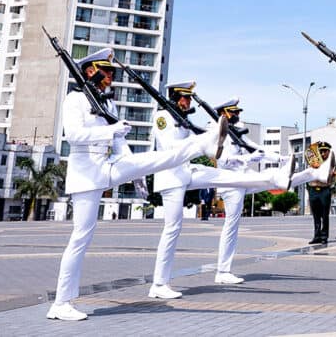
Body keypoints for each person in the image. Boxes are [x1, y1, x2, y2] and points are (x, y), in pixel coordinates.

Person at [47, 48, 227, 322]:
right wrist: (110, 130)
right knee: (81, 237)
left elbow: (121, 145)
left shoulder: (107, 103)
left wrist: (136, 172)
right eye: (108, 72)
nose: (111, 77)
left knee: (157, 159)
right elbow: (73, 135)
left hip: (108, 165)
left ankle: (204, 142)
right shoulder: (75, 100)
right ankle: (60, 303)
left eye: (112, 72)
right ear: (91, 72)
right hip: (85, 172)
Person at [149, 85, 308, 298]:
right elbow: (171, 147)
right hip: (171, 176)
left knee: (232, 178)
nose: (188, 103)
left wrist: (279, 158)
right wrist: (207, 138)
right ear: (176, 98)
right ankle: (159, 284)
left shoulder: (190, 120)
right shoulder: (163, 117)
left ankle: (277, 177)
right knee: (172, 228)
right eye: (185, 99)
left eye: (189, 100)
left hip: (188, 171)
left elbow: (249, 149)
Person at [306, 142, 334, 244]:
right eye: (321, 151)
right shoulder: (314, 161)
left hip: (324, 189)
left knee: (324, 215)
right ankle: (316, 235)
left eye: (325, 151)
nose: (322, 153)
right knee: (316, 215)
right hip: (313, 189)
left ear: (328, 151)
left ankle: (324, 236)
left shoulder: (330, 161)